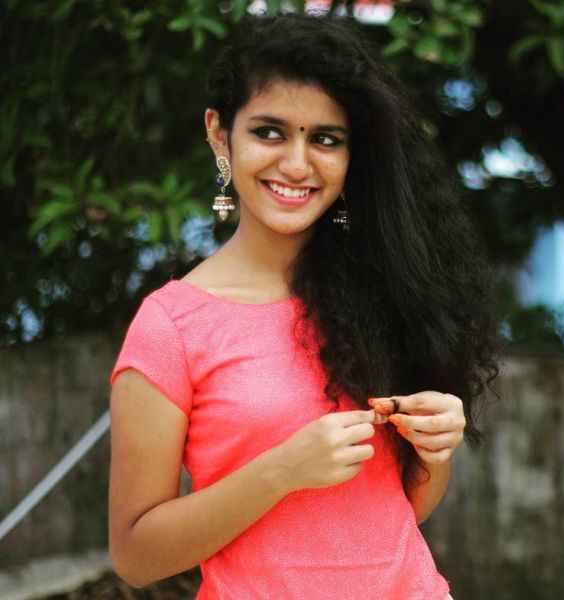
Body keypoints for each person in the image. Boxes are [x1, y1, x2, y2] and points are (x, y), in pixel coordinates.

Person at [107, 11, 499, 600]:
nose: (296, 164)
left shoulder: (386, 290)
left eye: (325, 139)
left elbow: (401, 510)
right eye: (270, 132)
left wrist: (434, 451)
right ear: (220, 134)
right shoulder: (172, 328)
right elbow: (136, 557)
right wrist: (282, 471)